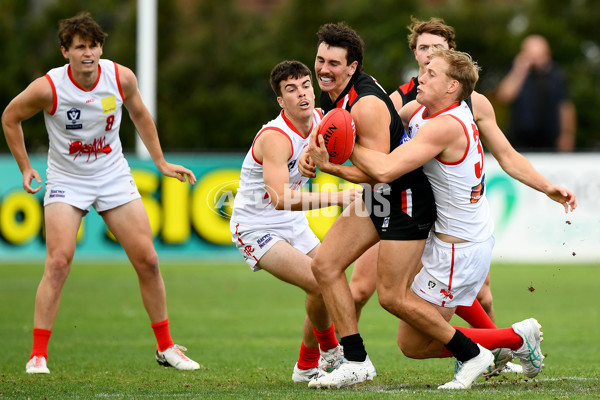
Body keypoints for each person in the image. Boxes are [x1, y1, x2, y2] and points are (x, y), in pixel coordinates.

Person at [346, 49, 577, 389]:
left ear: (453, 86)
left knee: (412, 340)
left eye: (430, 73)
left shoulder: (445, 126)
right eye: (421, 68)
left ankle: (508, 341)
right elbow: (385, 119)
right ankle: (502, 343)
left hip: (458, 249)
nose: (420, 77)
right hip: (453, 239)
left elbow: (384, 168)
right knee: (407, 322)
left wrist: (341, 147)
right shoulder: (423, 111)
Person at [1, 13, 200, 374]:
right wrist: (26, 168)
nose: (88, 53)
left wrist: (160, 162)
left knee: (149, 261)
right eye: (80, 47)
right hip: (66, 178)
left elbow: (140, 115)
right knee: (58, 263)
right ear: (66, 52)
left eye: (93, 45)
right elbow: (9, 117)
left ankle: (166, 347)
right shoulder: (49, 88)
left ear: (101, 48)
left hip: (112, 174)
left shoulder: (120, 78)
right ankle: (38, 355)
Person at [299, 22, 438, 388]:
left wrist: (330, 164)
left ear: (352, 66)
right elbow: (335, 141)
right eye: (320, 60)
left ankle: (492, 346)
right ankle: (354, 358)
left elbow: (381, 174)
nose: (324, 69)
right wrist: (308, 159)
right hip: (377, 199)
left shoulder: (367, 106)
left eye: (333, 63)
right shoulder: (337, 95)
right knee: (326, 266)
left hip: (403, 198)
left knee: (395, 298)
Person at [229, 60, 359, 382]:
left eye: (305, 86)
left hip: (291, 222)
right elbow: (281, 197)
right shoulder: (275, 137)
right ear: (280, 101)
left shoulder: (320, 120)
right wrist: (340, 197)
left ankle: (305, 366)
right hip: (256, 226)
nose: (302, 94)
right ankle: (330, 355)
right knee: (319, 282)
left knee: (331, 277)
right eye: (291, 89)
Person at [495, 34, 576, 151]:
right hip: (520, 139)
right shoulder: (517, 72)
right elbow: (504, 96)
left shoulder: (557, 74)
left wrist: (567, 134)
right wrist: (520, 70)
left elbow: (565, 106)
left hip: (550, 139)